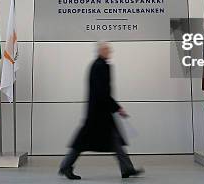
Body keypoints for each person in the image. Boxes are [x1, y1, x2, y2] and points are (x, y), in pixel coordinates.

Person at [59, 42, 144, 180]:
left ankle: (127, 169)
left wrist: (114, 107)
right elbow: (102, 91)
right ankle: (65, 166)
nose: (110, 52)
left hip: (99, 112)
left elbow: (102, 91)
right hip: (98, 114)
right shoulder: (100, 66)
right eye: (107, 50)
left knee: (114, 141)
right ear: (101, 51)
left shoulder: (98, 65)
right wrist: (117, 107)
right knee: (83, 142)